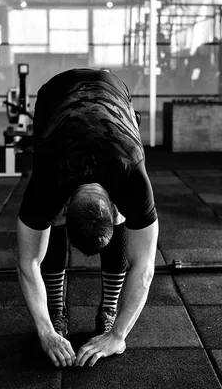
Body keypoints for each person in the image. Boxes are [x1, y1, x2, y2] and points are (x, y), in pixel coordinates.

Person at [16, 68, 159, 368]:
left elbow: (144, 268)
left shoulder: (131, 175)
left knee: (120, 220)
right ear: (66, 208)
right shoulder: (48, 179)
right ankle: (56, 310)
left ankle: (108, 309)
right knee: (46, 217)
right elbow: (27, 262)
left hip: (113, 92)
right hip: (55, 95)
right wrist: (45, 331)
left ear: (114, 202)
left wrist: (118, 335)